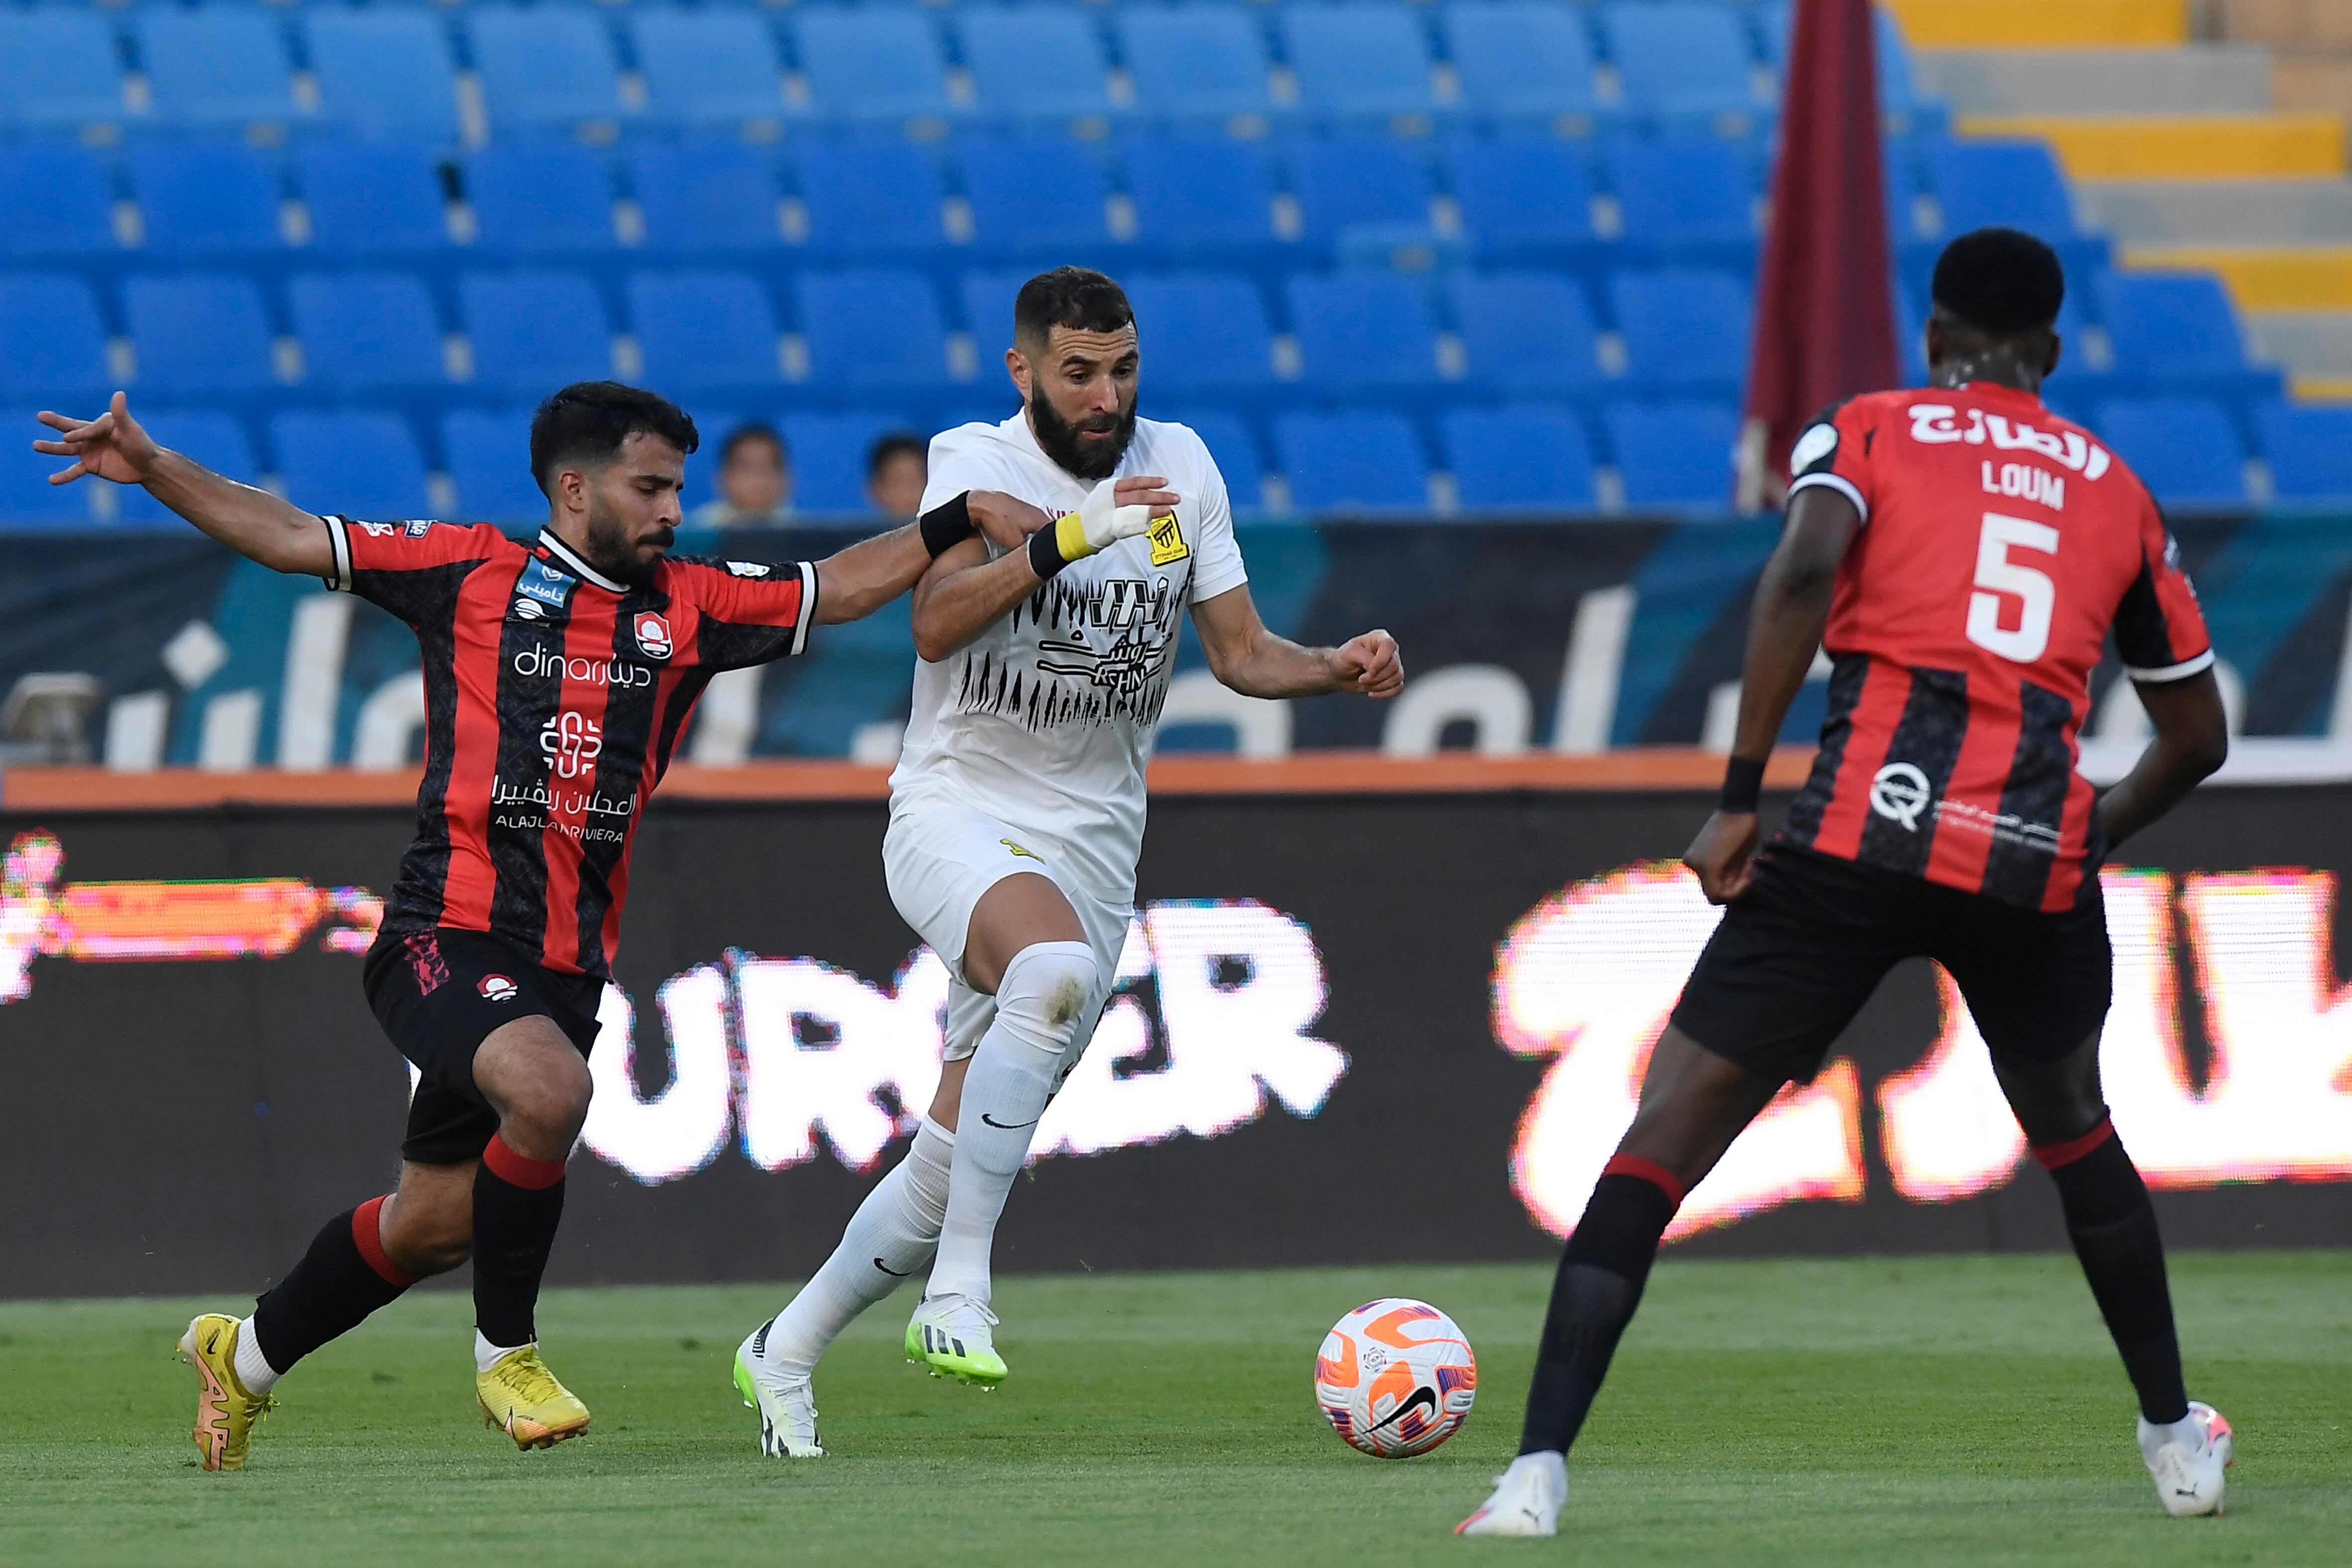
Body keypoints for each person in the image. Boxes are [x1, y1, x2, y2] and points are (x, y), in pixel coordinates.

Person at [30, 381, 1041, 1471]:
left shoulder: (692, 605)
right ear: (573, 487)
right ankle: (506, 1353)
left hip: (565, 971)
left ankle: (247, 1357)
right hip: (440, 934)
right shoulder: (468, 570)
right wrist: (158, 465)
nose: (670, 510)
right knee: (551, 1092)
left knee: (433, 1224)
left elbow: (838, 590)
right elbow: (285, 536)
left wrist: (958, 518)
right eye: (648, 488)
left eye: (677, 489)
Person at [1458, 228, 2234, 1536]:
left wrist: (1737, 791)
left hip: (1849, 840)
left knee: (1668, 1129)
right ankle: (2172, 1434)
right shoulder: (2116, 490)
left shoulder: (1869, 428)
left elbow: (1806, 565)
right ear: (2047, 354)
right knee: (2075, 1130)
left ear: (1933, 339)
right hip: (2024, 861)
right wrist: (2084, 830)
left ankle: (1534, 1471)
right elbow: (2196, 738)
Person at [730, 267, 1404, 1457]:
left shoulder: (1183, 468)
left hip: (1095, 845)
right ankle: (960, 1293)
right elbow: (932, 625)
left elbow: (1241, 654)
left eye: (1123, 368)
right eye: (1079, 371)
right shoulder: (974, 461)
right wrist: (1063, 542)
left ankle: (780, 1352)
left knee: (946, 1159)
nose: (1105, 394)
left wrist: (1334, 665)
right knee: (1040, 972)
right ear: (1024, 371)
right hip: (955, 806)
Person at [690, 422, 791, 528]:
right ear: (723, 477)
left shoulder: (802, 533)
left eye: (771, 467)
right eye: (748, 469)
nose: (760, 480)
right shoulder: (700, 531)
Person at [866, 432, 928, 524]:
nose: (908, 494)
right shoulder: (853, 537)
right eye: (897, 483)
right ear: (876, 489)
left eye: (915, 482)